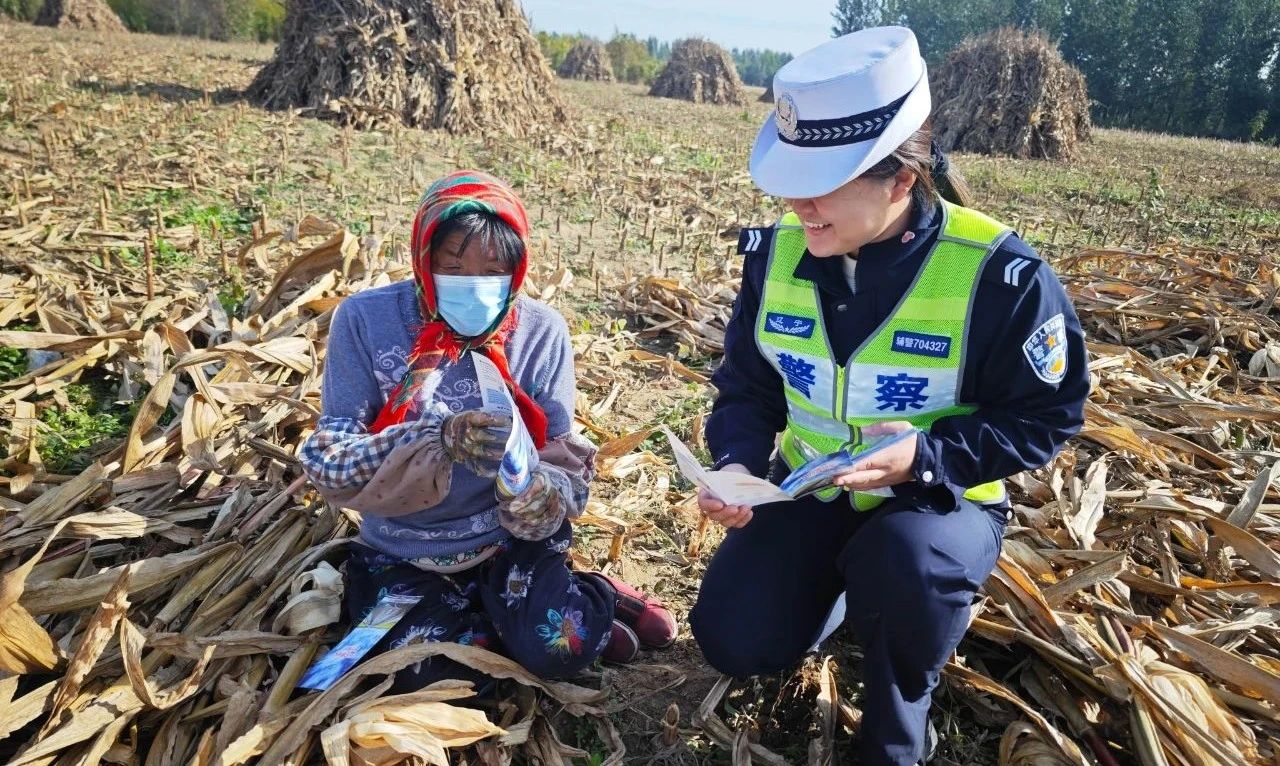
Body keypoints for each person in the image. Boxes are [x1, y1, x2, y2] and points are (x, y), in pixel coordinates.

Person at [687, 28, 1089, 765]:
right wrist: (738, 462)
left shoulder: (1000, 277)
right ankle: (844, 592)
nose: (797, 204)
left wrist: (927, 456)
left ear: (901, 180)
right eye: (791, 180)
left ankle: (901, 716)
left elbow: (1047, 414)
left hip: (935, 505)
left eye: (821, 184)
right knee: (734, 638)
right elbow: (748, 385)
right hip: (810, 490)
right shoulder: (776, 256)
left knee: (904, 565)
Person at [301, 171, 676, 691]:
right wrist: (433, 440)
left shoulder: (540, 330)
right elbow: (330, 459)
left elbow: (562, 457)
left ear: (516, 269)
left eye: (494, 270)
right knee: (426, 674)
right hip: (402, 548)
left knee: (559, 648)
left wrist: (542, 494)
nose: (474, 285)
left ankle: (592, 595)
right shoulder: (365, 320)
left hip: (506, 541)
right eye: (453, 268)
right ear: (423, 259)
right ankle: (514, 619)